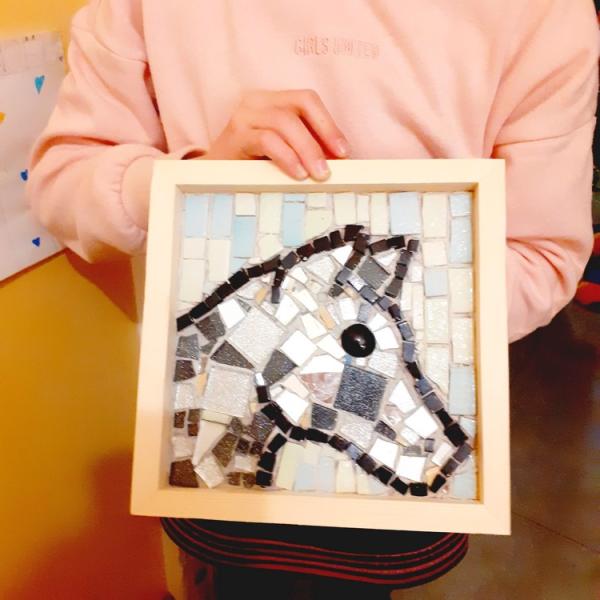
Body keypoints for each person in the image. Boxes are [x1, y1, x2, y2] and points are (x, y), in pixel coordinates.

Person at [27, 1, 598, 597]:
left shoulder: (542, 14)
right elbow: (64, 180)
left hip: (390, 496)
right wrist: (196, 181)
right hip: (215, 454)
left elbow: (540, 256)